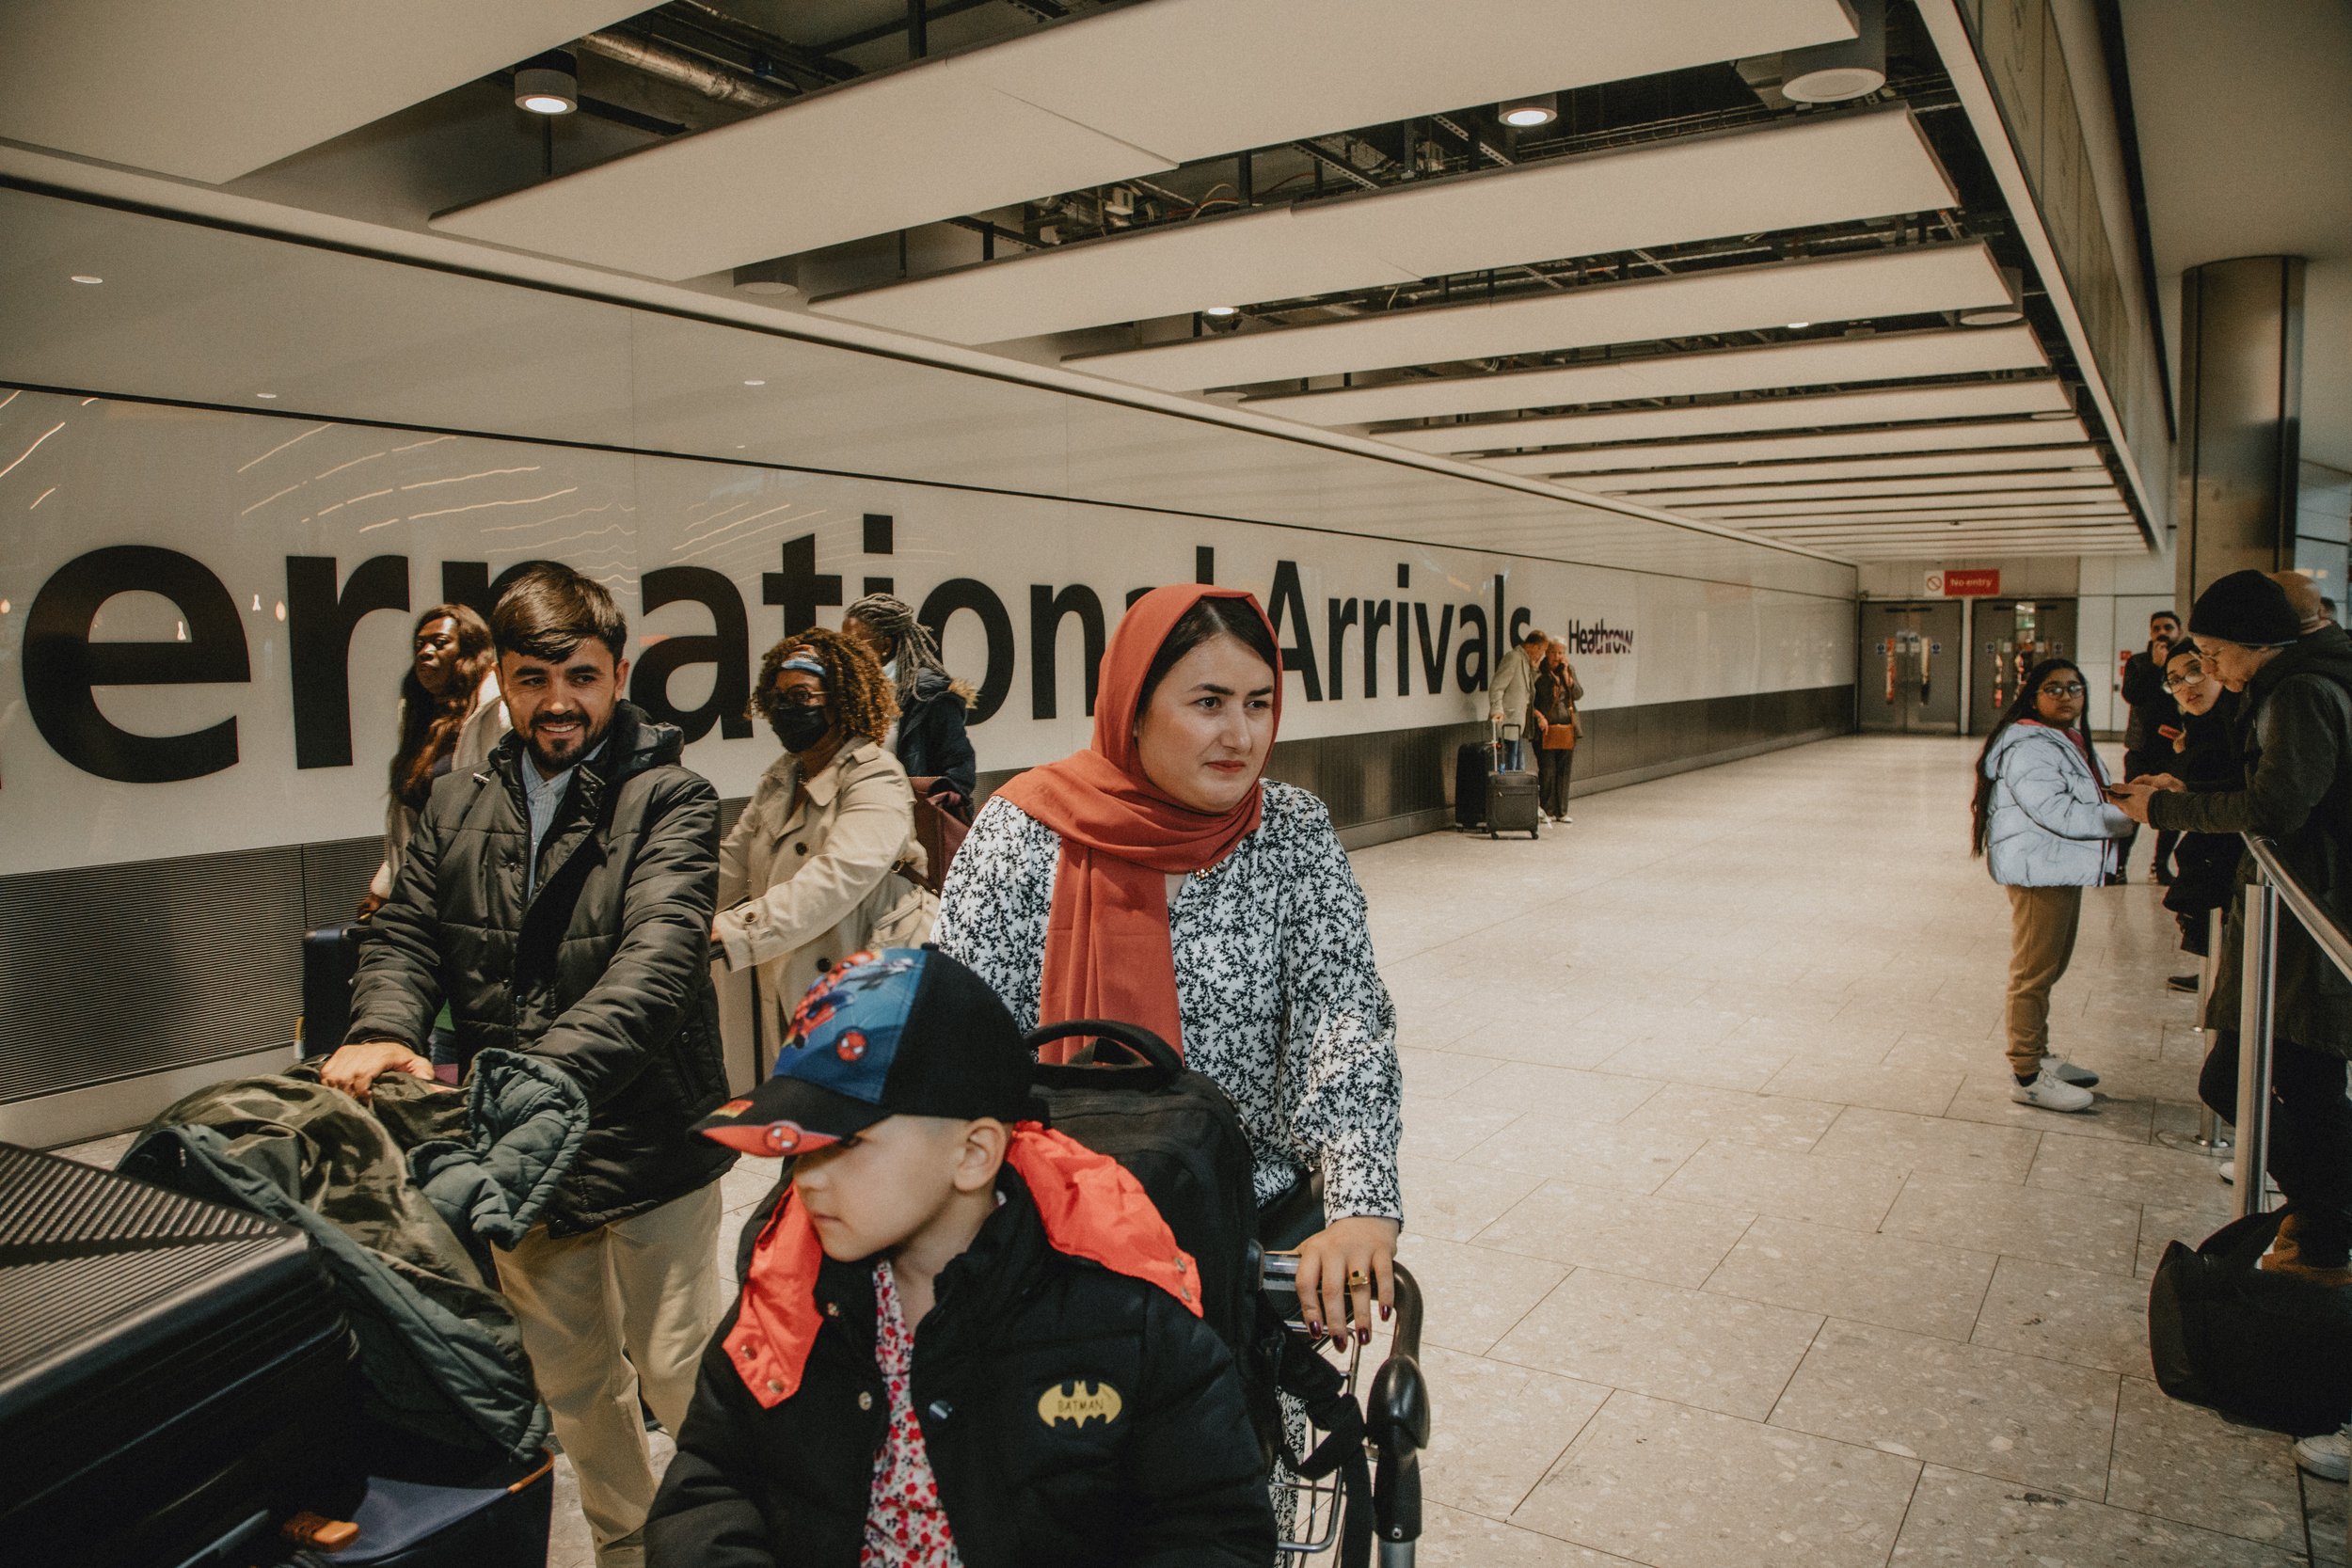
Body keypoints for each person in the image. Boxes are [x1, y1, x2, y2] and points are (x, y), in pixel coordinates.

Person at [325, 563, 734, 1568]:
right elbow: (407, 932)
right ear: (500, 679)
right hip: (523, 1159)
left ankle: (741, 1540)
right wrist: (385, 1023)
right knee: (576, 1386)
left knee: (681, 1368)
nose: (558, 704)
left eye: (583, 678)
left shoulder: (671, 796)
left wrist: (526, 1082)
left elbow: (659, 959)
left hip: (646, 1138)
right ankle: (629, 1549)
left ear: (620, 671)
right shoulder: (456, 800)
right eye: (532, 678)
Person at [647, 947, 1277, 1567]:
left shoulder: (1116, 1309)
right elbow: (710, 1479)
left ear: (974, 1153)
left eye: (844, 1141)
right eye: (803, 1147)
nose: (806, 1179)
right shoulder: (790, 1294)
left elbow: (1212, 1525)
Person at [934, 584, 1401, 1348]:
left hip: (1241, 1242)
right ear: (1135, 708)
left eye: (1258, 703)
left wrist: (1360, 1202)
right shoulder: (1022, 833)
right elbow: (957, 1046)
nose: (1241, 735)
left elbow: (1342, 1021)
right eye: (1209, 701)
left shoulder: (1293, 834)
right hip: (1054, 1245)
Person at [2113, 570, 2352, 1298]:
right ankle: (2321, 1225)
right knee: (2306, 1083)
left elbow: (2277, 807)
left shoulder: (2302, 692)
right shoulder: (2305, 680)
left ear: (2257, 641)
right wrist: (2191, 795)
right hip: (2309, 909)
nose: (2208, 670)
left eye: (2214, 653)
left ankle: (2328, 1219)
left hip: (2311, 915)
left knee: (2247, 1077)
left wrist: (2168, 814)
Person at [715, 626, 933, 1075]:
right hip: (797, 978)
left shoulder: (877, 776)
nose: (783, 710)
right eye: (776, 698)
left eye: (801, 697)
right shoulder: (779, 782)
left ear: (841, 700)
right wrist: (669, 917)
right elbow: (729, 867)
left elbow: (840, 875)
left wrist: (738, 930)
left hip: (873, 973)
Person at [1972, 657, 2130, 1113]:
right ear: (2033, 695)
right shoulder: (2029, 745)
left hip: (2058, 864)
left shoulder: (2065, 737)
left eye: (2074, 688)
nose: (2066, 696)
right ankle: (2025, 1074)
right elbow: (2058, 812)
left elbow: (2085, 796)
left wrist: (2132, 793)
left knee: (2051, 965)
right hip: (2038, 867)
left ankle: (2038, 1055)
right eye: (2054, 689)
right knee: (2033, 973)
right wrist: (2132, 814)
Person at [357, 603, 505, 921]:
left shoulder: (498, 712)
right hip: (426, 890)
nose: (425, 652)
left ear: (469, 650)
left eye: (440, 643)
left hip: (483, 894)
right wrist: (383, 888)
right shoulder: (417, 718)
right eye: (419, 645)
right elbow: (413, 820)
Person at [2153, 644, 2242, 993]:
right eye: (2174, 680)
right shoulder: (2201, 723)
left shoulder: (2239, 719)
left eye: (2195, 671)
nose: (2187, 686)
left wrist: (2184, 787)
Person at [842, 592, 977, 807]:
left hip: (911, 826)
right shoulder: (853, 695)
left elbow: (959, 766)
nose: (845, 655)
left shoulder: (927, 695)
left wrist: (931, 806)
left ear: (885, 646)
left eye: (852, 646)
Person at [2118, 609, 2183, 885]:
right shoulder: (2139, 662)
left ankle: (2160, 864)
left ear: (2178, 631)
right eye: (2156, 628)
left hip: (2174, 747)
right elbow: (2132, 695)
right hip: (2141, 747)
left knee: (2170, 806)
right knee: (2131, 803)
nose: (2162, 632)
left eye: (2168, 627)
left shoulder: (2185, 662)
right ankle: (2118, 865)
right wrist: (2156, 667)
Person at [1531, 639, 1582, 824]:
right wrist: (1538, 716)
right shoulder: (1538, 672)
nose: (1558, 657)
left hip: (1567, 729)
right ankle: (1546, 810)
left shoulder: (1569, 670)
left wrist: (1568, 679)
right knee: (1548, 770)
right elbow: (1530, 699)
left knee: (1564, 770)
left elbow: (1578, 694)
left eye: (1561, 653)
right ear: (1547, 653)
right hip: (1545, 730)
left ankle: (1562, 811)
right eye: (1554, 653)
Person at [1488, 626, 1546, 770]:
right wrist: (1497, 709)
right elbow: (1497, 686)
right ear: (1532, 646)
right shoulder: (1513, 658)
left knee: (1518, 764)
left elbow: (1527, 690)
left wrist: (1533, 669)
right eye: (1541, 650)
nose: (1542, 655)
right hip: (1508, 721)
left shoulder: (1525, 661)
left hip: (1517, 723)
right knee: (1511, 764)